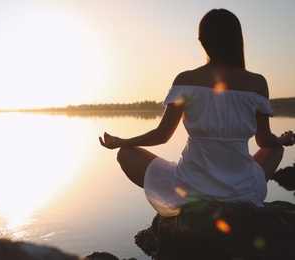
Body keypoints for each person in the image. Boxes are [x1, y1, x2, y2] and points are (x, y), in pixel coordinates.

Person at [99, 9, 294, 216]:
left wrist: (124, 142)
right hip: (242, 190)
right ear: (237, 39)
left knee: (126, 153)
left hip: (190, 189)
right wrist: (282, 141)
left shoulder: (186, 80)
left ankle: (195, 201)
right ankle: (235, 197)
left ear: (202, 41)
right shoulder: (258, 83)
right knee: (276, 149)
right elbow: (265, 141)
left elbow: (162, 135)